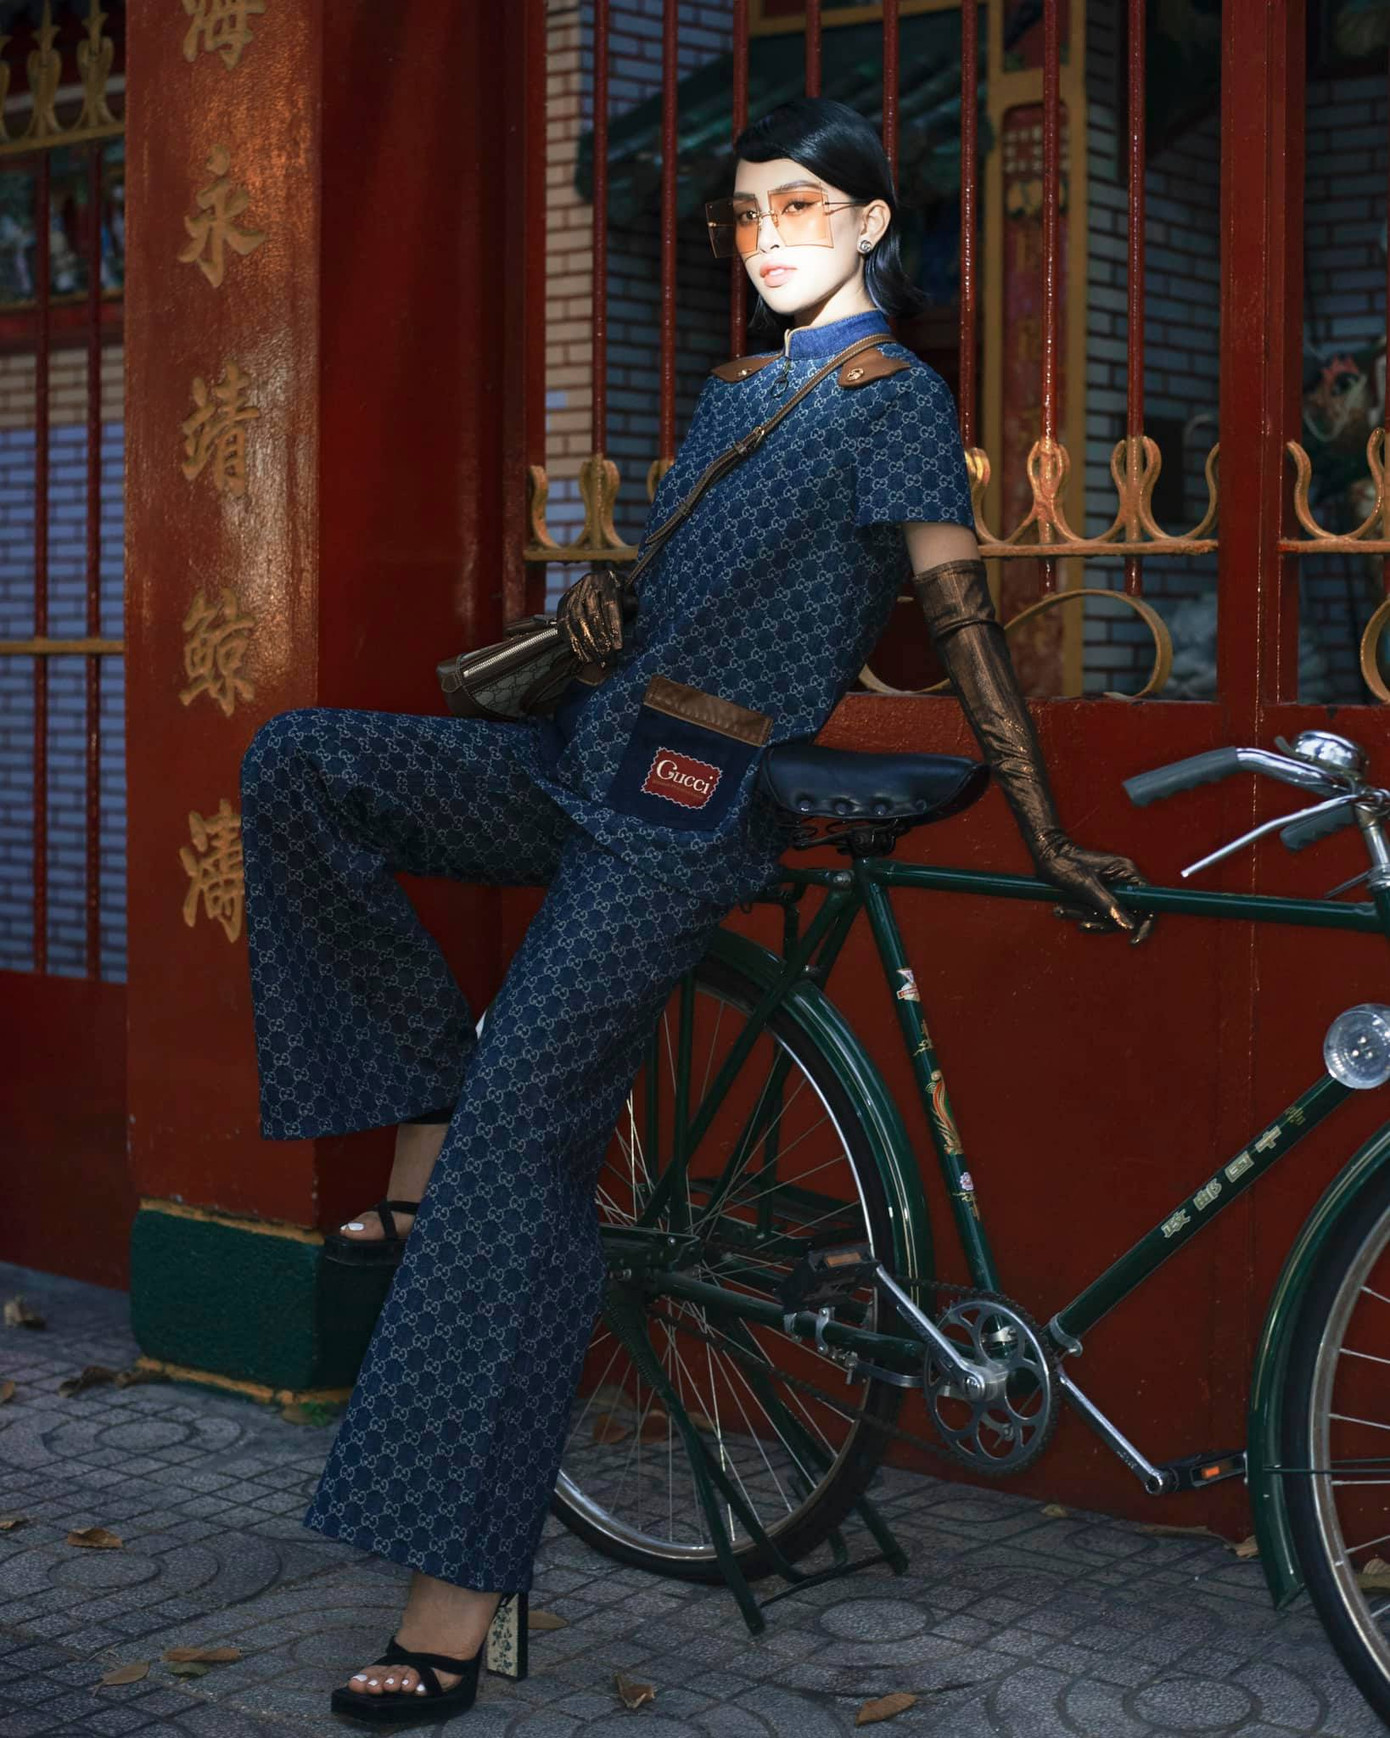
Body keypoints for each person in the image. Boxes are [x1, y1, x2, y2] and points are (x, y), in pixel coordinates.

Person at [238, 93, 1142, 1724]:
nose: (766, 237)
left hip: (684, 810)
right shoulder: (730, 392)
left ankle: (453, 1601)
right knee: (302, 764)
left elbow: (961, 621)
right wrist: (606, 612)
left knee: (519, 1154)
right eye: (744, 212)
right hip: (579, 752)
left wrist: (1049, 828)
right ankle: (422, 1106)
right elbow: (683, 598)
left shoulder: (895, 402)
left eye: (799, 206)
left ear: (871, 223)